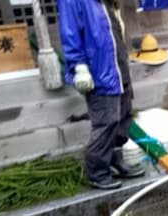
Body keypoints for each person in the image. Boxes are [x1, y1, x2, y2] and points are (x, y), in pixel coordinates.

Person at [59, 0, 144, 190]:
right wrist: (79, 67)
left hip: (117, 66)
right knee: (106, 122)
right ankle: (97, 171)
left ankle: (116, 159)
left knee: (123, 118)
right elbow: (70, 33)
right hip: (99, 70)